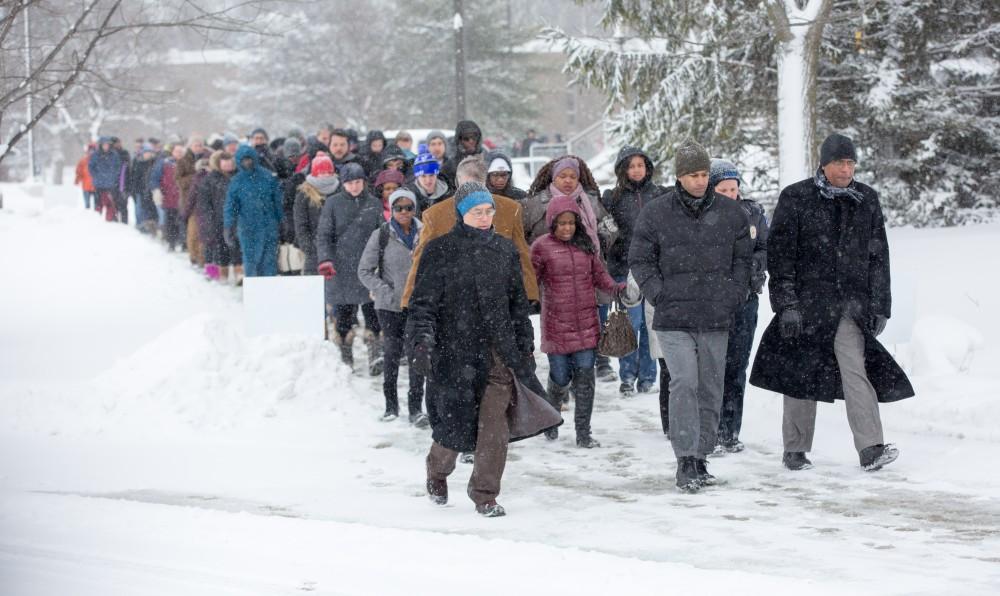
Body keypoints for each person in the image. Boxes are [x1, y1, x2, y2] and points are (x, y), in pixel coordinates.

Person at [750, 133, 915, 472]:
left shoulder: (866, 199)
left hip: (849, 307)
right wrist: (786, 305)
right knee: (801, 375)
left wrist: (881, 305)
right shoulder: (796, 198)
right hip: (806, 306)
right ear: (824, 164)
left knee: (856, 371)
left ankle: (871, 447)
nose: (846, 169)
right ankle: (795, 449)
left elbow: (879, 256)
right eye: (840, 162)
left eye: (851, 163)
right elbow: (781, 257)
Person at [406, 182, 549, 517]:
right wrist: (422, 341)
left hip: (498, 353)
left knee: (494, 427)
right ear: (461, 212)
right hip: (455, 352)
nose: (485, 218)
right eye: (476, 212)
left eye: (488, 211)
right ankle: (437, 469)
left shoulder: (505, 250)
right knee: (455, 426)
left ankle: (484, 493)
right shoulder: (440, 250)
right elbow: (422, 303)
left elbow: (517, 304)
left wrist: (524, 344)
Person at [628, 139, 752, 493]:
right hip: (673, 316)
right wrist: (658, 291)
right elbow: (640, 258)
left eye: (703, 174)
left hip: (716, 314)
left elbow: (743, 259)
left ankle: (701, 456)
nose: (698, 181)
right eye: (692, 175)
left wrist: (734, 292)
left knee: (711, 386)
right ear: (679, 177)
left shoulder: (731, 214)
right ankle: (684, 459)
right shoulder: (656, 212)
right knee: (684, 381)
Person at [531, 194, 625, 448]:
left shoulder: (586, 246)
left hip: (586, 323)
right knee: (560, 378)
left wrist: (617, 288)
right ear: (552, 223)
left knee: (585, 380)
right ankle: (552, 417)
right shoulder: (541, 247)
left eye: (571, 223)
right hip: (555, 324)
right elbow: (530, 281)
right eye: (561, 223)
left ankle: (584, 433)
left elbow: (600, 277)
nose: (567, 228)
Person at [523, 155, 618, 380]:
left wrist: (596, 244)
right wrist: (543, 250)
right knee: (559, 325)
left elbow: (611, 227)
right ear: (553, 178)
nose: (568, 181)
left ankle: (599, 361)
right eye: (562, 176)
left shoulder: (590, 201)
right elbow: (521, 233)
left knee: (592, 316)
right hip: (555, 276)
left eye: (573, 177)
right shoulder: (535, 204)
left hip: (588, 268)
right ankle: (561, 377)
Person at [401, 155, 539, 310]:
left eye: (476, 186)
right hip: (457, 302)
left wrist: (530, 294)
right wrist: (409, 299)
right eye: (468, 187)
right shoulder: (435, 215)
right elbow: (421, 259)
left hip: (496, 300)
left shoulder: (510, 209)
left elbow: (522, 254)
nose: (471, 194)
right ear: (458, 183)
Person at [708, 158, 768, 453]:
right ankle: (711, 429)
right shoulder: (702, 214)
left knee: (736, 367)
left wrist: (753, 267)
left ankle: (730, 431)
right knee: (712, 368)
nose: (730, 194)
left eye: (733, 188)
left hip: (745, 301)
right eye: (723, 189)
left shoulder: (753, 212)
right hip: (712, 303)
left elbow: (764, 248)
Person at [358, 188, 428, 426]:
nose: (404, 212)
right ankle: (391, 406)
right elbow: (364, 270)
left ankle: (416, 408)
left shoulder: (425, 232)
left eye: (409, 207)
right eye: (399, 208)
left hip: (418, 305)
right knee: (392, 354)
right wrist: (383, 290)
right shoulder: (382, 235)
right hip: (389, 307)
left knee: (418, 356)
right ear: (391, 209)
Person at [601, 146, 668, 395]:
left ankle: (648, 376)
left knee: (650, 326)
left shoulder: (659, 194)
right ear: (622, 170)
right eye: (631, 166)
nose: (636, 170)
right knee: (629, 324)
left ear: (647, 167)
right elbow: (605, 231)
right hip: (622, 268)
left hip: (653, 269)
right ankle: (627, 375)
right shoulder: (613, 197)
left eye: (640, 165)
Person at [316, 162, 384, 374]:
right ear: (343, 183)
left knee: (373, 312)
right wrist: (325, 259)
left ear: (363, 182)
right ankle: (346, 355)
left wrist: (383, 261)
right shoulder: (332, 203)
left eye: (358, 182)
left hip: (367, 266)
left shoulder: (374, 204)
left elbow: (382, 235)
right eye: (350, 183)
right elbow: (324, 235)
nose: (354, 186)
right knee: (344, 313)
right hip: (341, 265)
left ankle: (375, 353)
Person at [223, 144, 283, 278]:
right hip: (247, 227)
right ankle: (253, 294)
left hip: (269, 225)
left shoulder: (268, 177)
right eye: (243, 160)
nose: (247, 163)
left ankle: (269, 291)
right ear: (239, 161)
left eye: (249, 159)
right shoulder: (236, 181)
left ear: (254, 159)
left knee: (269, 261)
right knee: (250, 261)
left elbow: (277, 201)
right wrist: (228, 225)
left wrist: (282, 221)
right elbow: (230, 205)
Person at [189, 150, 236, 281]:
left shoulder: (236, 177)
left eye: (229, 162)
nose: (227, 164)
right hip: (214, 219)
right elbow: (204, 203)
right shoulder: (209, 180)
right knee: (213, 246)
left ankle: (231, 272)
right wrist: (209, 219)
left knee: (229, 247)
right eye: (224, 162)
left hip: (233, 219)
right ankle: (213, 273)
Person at [293, 153, 340, 276]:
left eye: (327, 172)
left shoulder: (340, 190)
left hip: (339, 250)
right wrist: (310, 249)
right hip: (314, 252)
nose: (324, 176)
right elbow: (301, 225)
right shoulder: (304, 195)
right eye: (321, 172)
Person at [178, 136, 211, 266]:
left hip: (206, 202)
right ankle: (193, 256)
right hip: (189, 200)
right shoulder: (183, 161)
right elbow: (179, 181)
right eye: (196, 145)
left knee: (205, 234)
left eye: (200, 145)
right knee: (193, 233)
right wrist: (196, 176)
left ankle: (203, 259)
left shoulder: (209, 158)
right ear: (190, 147)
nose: (198, 148)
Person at [150, 144, 185, 250]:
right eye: (177, 151)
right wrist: (156, 191)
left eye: (181, 152)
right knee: (170, 220)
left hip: (183, 198)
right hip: (168, 196)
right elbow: (154, 178)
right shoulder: (164, 163)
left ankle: (184, 242)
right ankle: (171, 242)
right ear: (173, 152)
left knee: (183, 221)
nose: (179, 154)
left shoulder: (187, 164)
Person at [406, 144, 453, 212]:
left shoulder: (449, 193)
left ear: (437, 174)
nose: (428, 180)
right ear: (417, 177)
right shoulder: (409, 197)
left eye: (431, 175)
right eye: (423, 176)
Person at [89, 137, 123, 222]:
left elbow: (118, 167)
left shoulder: (114, 155)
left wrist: (113, 176)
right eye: (104, 145)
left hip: (110, 184)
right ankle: (97, 221)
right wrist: (96, 176)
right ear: (101, 145)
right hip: (98, 184)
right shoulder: (95, 155)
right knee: (98, 204)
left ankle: (110, 221)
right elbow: (91, 167)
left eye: (107, 144)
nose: (106, 146)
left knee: (110, 204)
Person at [441, 120, 486, 185]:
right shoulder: (449, 166)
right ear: (459, 140)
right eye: (466, 138)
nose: (471, 141)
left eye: (474, 137)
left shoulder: (486, 159)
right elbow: (447, 191)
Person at [74, 144, 96, 210]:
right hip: (86, 186)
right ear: (88, 151)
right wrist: (77, 180)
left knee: (97, 205)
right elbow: (79, 171)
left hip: (96, 186)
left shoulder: (98, 161)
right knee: (87, 205)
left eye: (93, 150)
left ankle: (96, 217)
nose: (92, 152)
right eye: (90, 150)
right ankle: (87, 216)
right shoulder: (83, 161)